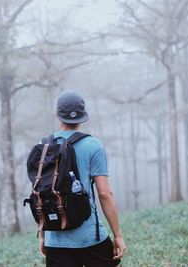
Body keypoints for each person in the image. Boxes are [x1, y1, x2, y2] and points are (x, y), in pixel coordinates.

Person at [39, 91, 127, 267]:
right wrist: (118, 236)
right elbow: (104, 193)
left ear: (57, 115)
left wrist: (43, 235)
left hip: (55, 237)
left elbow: (41, 192)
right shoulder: (93, 145)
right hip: (90, 237)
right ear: (82, 116)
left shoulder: (44, 145)